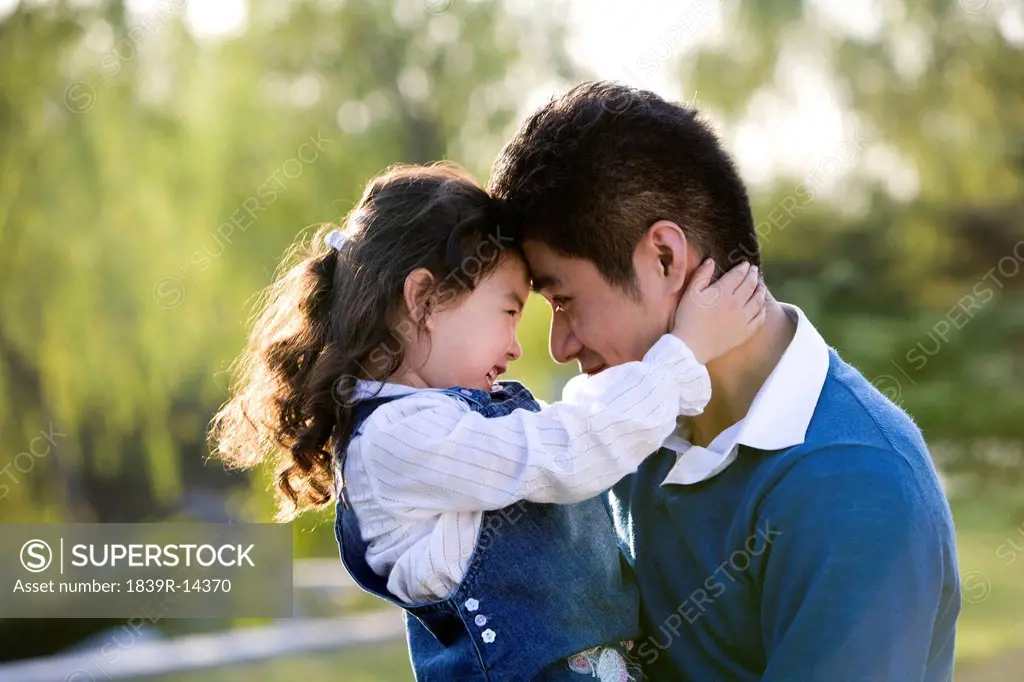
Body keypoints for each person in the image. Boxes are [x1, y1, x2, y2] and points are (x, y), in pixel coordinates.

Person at [210, 162, 766, 681]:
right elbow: (563, 451)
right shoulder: (394, 440)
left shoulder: (448, 419)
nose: (516, 346)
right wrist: (681, 358)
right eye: (508, 312)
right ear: (423, 298)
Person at [489, 81, 961, 682]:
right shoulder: (615, 428)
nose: (559, 346)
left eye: (563, 299)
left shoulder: (857, 486)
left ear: (664, 258)